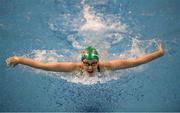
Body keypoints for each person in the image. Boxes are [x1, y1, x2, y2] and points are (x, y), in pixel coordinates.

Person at [6, 42, 165, 76]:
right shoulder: (72, 67)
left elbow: (136, 62)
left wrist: (159, 53)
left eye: (93, 63)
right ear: (81, 61)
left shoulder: (107, 66)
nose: (90, 68)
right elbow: (44, 65)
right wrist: (19, 59)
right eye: (87, 63)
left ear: (98, 62)